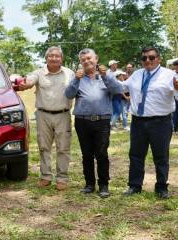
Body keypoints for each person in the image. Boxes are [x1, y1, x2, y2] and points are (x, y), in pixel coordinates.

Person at [123, 47, 178, 199]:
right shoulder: (137, 74)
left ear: (159, 58)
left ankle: (161, 187)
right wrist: (106, 78)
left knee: (161, 156)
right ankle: (134, 185)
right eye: (144, 58)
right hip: (138, 121)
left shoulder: (169, 74)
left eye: (151, 57)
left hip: (160, 122)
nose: (147, 61)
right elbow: (122, 87)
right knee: (136, 155)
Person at [65, 48, 123, 198]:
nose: (86, 61)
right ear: (81, 62)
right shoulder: (78, 77)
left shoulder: (106, 75)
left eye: (89, 58)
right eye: (83, 60)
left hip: (102, 121)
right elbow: (68, 94)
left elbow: (118, 90)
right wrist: (76, 79)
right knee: (86, 154)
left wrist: (105, 76)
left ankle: (104, 185)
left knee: (102, 153)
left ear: (96, 58)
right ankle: (89, 184)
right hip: (82, 121)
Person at [18, 46, 74, 191]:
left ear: (62, 58)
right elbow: (29, 81)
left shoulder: (69, 73)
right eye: (51, 56)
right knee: (44, 147)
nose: (54, 58)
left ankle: (62, 178)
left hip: (63, 114)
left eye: (57, 56)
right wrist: (24, 84)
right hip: (43, 115)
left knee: (63, 148)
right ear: (46, 58)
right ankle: (46, 176)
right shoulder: (39, 73)